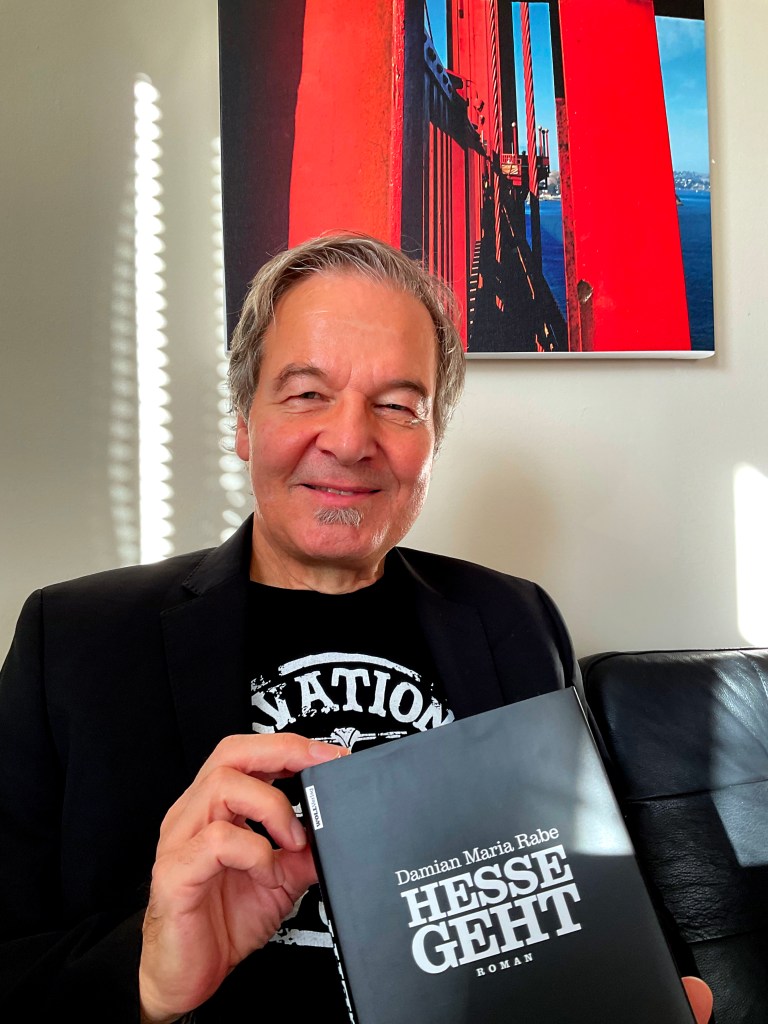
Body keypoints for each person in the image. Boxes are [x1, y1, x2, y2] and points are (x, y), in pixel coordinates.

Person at [0, 233, 710, 1023]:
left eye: (398, 406)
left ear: (433, 438)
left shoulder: (513, 619)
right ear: (244, 421)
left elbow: (596, 887)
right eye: (307, 393)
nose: (348, 441)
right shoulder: (75, 641)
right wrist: (147, 979)